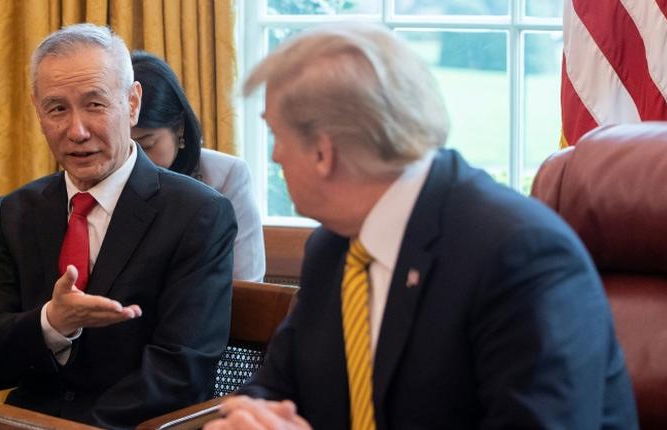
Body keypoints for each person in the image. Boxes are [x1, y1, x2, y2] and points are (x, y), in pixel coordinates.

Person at [205, 23, 638, 429]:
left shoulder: (520, 257)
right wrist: (250, 414)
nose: (276, 156)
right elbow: (276, 388)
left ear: (323, 152)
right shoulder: (333, 248)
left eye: (276, 135)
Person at [0, 23, 237, 430]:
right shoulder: (16, 212)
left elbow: (180, 371)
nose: (76, 131)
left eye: (95, 104)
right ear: (37, 111)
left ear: (132, 104)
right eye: (57, 108)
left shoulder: (198, 214)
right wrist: (52, 323)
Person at [130, 51, 265, 281]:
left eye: (147, 144)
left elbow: (247, 282)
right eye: (126, 147)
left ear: (180, 126)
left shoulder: (225, 176)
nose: (135, 159)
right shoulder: (108, 174)